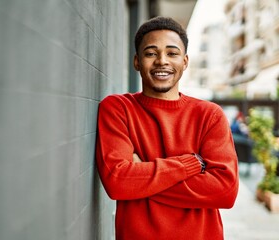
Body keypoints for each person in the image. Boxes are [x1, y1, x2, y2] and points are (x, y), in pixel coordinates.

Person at [95, 16, 239, 240]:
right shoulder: (118, 108)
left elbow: (225, 191)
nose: (162, 61)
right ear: (136, 61)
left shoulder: (209, 115)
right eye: (151, 53)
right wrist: (191, 163)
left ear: (185, 61)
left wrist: (142, 176)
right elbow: (118, 182)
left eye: (172, 53)